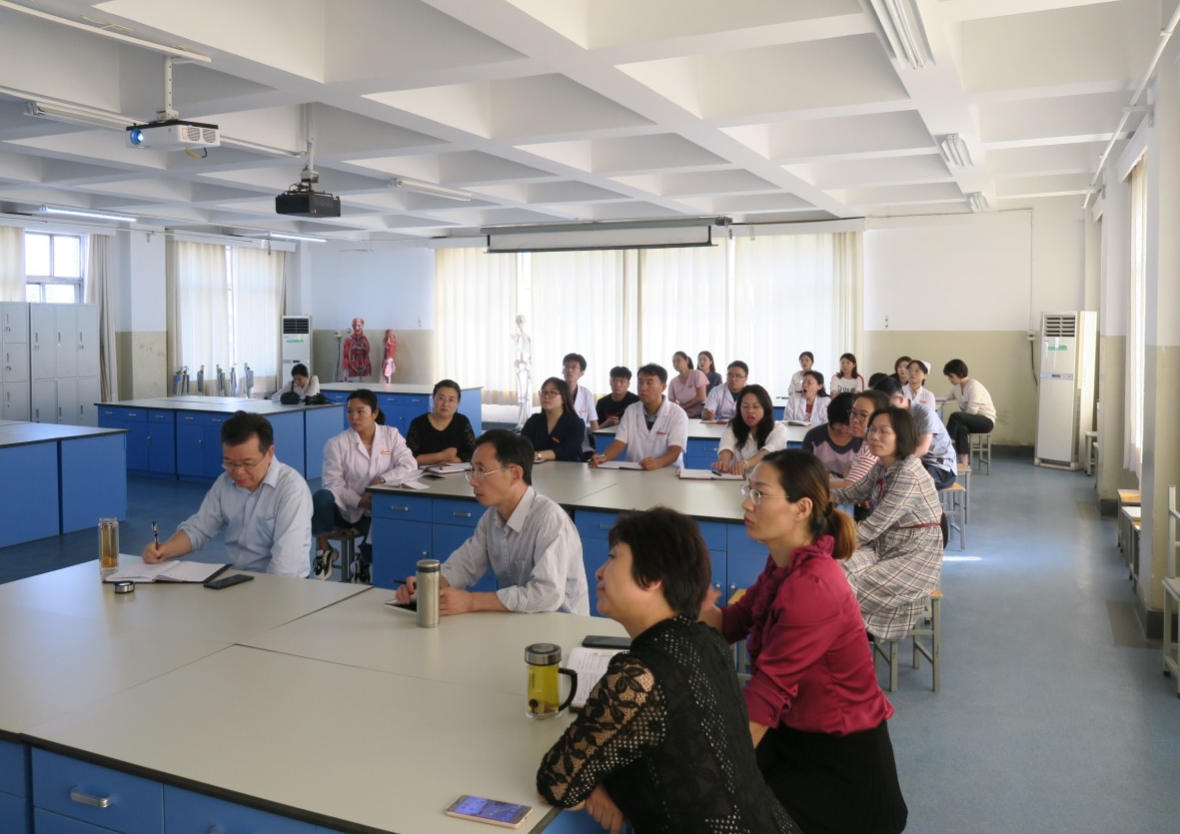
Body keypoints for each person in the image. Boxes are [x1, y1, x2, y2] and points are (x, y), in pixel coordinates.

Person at [537, 508, 800, 834]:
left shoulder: (639, 677)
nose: (599, 572)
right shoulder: (707, 641)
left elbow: (556, 782)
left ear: (653, 578)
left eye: (613, 557)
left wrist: (592, 786)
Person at [699, 450, 907, 834]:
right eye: (748, 490)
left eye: (760, 494)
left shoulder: (814, 586)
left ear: (802, 508)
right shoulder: (784, 564)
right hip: (794, 738)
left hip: (840, 768)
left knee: (713, 808)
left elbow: (767, 693)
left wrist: (705, 775)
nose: (747, 503)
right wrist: (682, 600)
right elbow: (731, 623)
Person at [393, 430, 588, 615]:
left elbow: (547, 594)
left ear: (515, 474)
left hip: (562, 626)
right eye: (472, 470)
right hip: (522, 620)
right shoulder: (491, 517)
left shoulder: (549, 519)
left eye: (481, 471)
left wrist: (471, 601)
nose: (473, 481)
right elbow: (465, 565)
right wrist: (428, 585)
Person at [143, 411, 313, 577]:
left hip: (284, 586)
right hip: (240, 578)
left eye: (247, 463)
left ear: (269, 453)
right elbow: (198, 529)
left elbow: (285, 567)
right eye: (229, 463)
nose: (238, 472)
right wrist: (164, 550)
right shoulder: (225, 483)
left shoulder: (291, 490)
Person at [831, 407, 944, 643]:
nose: (874, 436)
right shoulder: (883, 465)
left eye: (884, 431)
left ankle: (847, 641)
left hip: (915, 555)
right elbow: (853, 492)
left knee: (839, 586)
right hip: (885, 546)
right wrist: (818, 495)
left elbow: (873, 527)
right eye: (872, 430)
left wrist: (830, 546)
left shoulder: (908, 473)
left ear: (901, 435)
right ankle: (843, 636)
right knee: (836, 570)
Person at [312, 389, 417, 579]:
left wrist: (383, 479)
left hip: (376, 507)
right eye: (350, 411)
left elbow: (410, 465)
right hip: (344, 509)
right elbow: (332, 483)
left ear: (374, 413)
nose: (354, 417)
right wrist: (360, 501)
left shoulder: (391, 435)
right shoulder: (336, 443)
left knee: (383, 534)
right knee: (321, 497)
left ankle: (362, 561)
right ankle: (324, 549)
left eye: (360, 411)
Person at [591, 363, 688, 471]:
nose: (643, 388)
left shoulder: (677, 414)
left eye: (649, 383)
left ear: (663, 387)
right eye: (640, 382)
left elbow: (675, 451)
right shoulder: (631, 410)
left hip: (667, 472)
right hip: (635, 470)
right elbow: (619, 443)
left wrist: (658, 463)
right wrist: (604, 457)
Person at [874, 377, 955, 490]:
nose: (885, 411)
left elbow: (923, 449)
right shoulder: (894, 416)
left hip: (940, 467)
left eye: (887, 406)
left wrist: (896, 465)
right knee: (879, 477)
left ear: (900, 399)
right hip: (917, 463)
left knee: (901, 482)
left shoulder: (924, 413)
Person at [712, 384, 789, 477]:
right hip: (738, 481)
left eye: (756, 407)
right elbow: (726, 446)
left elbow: (768, 452)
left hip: (769, 480)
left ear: (765, 409)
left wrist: (745, 464)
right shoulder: (733, 426)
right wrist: (723, 462)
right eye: (745, 406)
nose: (750, 411)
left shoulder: (778, 429)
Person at [405, 380, 477, 465]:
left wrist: (453, 461)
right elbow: (409, 457)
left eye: (451, 400)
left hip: (455, 470)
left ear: (458, 402)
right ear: (433, 398)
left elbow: (473, 453)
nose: (445, 404)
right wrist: (441, 456)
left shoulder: (462, 421)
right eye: (441, 398)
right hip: (424, 472)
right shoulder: (418, 423)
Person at [942, 359, 997, 466]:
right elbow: (944, 397)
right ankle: (964, 463)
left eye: (951, 376)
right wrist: (928, 397)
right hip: (971, 421)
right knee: (961, 428)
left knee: (956, 416)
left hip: (986, 421)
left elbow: (972, 411)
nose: (949, 379)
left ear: (960, 374)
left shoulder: (974, 386)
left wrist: (959, 420)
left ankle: (946, 443)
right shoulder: (956, 387)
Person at [520, 378, 586, 462]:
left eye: (553, 393)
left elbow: (567, 451)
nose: (546, 396)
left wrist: (537, 455)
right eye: (544, 392)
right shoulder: (534, 420)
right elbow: (522, 446)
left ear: (564, 398)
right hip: (537, 467)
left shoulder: (576, 423)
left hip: (568, 467)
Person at [801, 392, 861, 477]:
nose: (843, 430)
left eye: (848, 426)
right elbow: (804, 471)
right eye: (838, 425)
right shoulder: (814, 437)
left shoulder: (863, 441)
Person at [562, 353, 599, 457]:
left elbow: (593, 423)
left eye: (574, 367)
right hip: (559, 443)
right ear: (563, 370)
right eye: (567, 366)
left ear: (581, 373)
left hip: (581, 445)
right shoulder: (555, 392)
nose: (569, 370)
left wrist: (599, 448)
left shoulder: (586, 394)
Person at [667, 351, 709, 418]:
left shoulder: (697, 374)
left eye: (678, 360)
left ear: (686, 361)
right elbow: (671, 402)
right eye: (673, 362)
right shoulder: (673, 382)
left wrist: (683, 407)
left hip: (700, 415)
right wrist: (680, 409)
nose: (675, 363)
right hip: (682, 416)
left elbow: (701, 397)